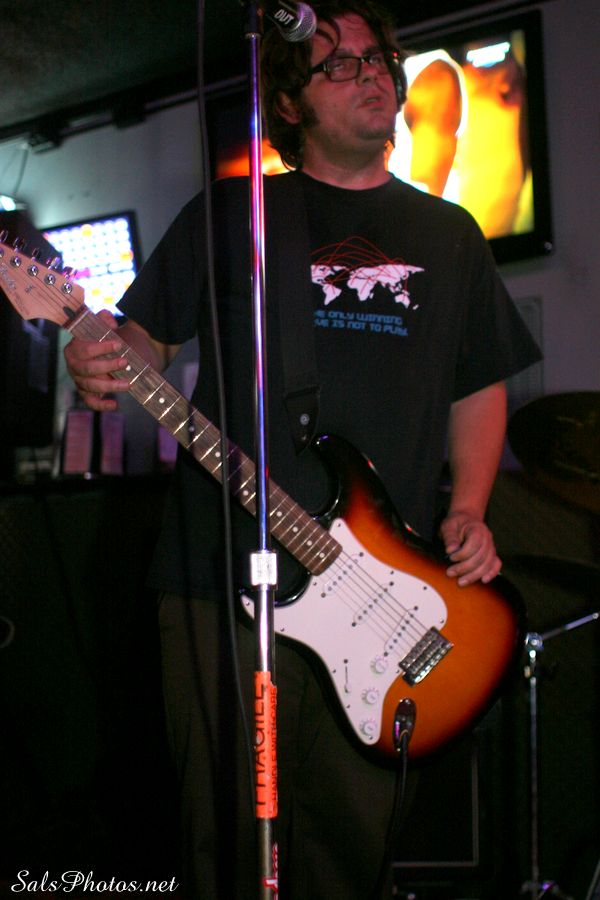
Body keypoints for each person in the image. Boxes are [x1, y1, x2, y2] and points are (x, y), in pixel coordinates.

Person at [64, 1, 542, 897]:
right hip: (220, 579)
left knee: (350, 849)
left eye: (379, 59)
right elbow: (146, 340)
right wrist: (100, 355)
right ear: (288, 103)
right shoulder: (232, 214)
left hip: (385, 593)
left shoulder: (451, 236)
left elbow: (479, 382)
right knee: (222, 839)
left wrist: (471, 507)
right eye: (340, 64)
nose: (372, 75)